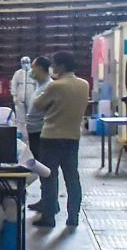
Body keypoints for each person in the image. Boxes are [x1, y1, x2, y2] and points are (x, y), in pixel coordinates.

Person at [30, 52, 91, 230]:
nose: (52, 68)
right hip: (73, 136)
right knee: (72, 177)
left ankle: (49, 217)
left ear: (62, 66)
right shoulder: (84, 84)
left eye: (55, 65)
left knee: (49, 177)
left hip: (51, 136)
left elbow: (38, 105)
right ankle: (73, 216)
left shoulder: (55, 86)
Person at [22, 57, 52, 212]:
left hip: (41, 132)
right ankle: (45, 199)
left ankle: (50, 203)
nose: (31, 71)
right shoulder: (39, 86)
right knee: (39, 167)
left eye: (33, 67)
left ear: (40, 68)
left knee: (44, 168)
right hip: (34, 131)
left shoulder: (49, 86)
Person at [9, 56, 36, 128]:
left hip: (31, 93)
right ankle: (21, 129)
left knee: (31, 112)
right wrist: (14, 95)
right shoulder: (18, 73)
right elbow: (14, 84)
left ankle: (31, 128)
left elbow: (37, 84)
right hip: (20, 93)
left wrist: (36, 95)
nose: (25, 64)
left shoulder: (34, 72)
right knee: (20, 114)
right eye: (24, 63)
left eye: (27, 62)